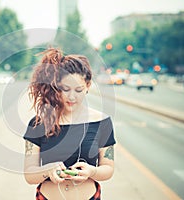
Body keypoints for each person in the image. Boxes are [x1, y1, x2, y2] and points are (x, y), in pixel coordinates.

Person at [23, 47, 116, 200]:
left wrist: (92, 172)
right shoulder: (38, 123)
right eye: (65, 89)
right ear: (56, 88)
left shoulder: (102, 122)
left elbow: (108, 168)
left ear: (87, 86)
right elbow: (29, 174)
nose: (72, 97)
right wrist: (47, 171)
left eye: (78, 90)